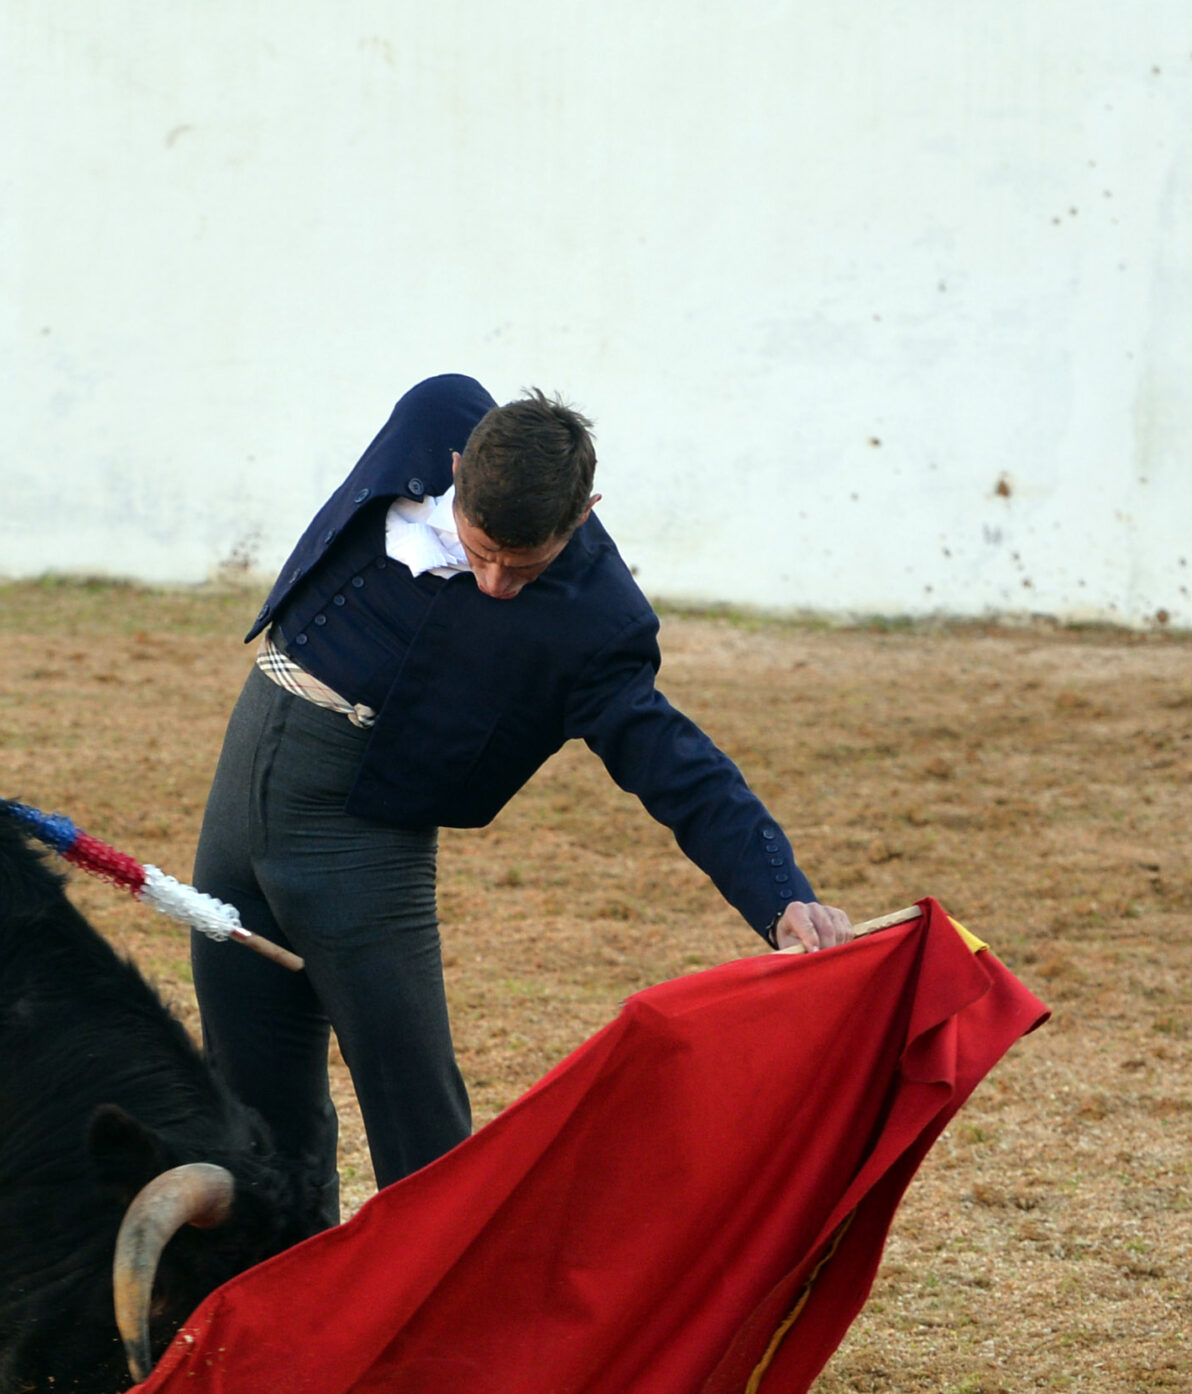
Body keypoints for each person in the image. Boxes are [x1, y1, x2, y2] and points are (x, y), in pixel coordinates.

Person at [191, 375, 850, 1215]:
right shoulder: (434, 415)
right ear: (457, 470)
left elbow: (677, 762)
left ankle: (439, 1329)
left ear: (584, 513)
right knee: (248, 1090)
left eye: (525, 565)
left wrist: (781, 893)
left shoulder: (597, 622)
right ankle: (274, 1311)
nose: (499, 582)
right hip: (246, 768)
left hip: (361, 832)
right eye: (483, 550)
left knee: (415, 1115)